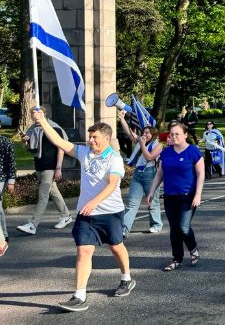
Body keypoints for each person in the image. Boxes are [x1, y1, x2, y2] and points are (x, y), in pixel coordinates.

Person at [32, 108, 135, 312]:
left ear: (106, 138)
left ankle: (126, 278)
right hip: (86, 214)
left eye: (95, 137)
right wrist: (43, 121)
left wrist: (94, 201)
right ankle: (79, 296)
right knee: (83, 251)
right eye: (90, 137)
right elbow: (61, 142)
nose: (91, 141)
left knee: (116, 246)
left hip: (110, 212)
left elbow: (113, 184)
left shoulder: (114, 158)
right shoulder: (85, 152)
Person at [143, 123, 204, 272]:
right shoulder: (166, 153)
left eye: (177, 134)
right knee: (174, 229)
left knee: (183, 227)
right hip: (170, 196)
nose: (174, 136)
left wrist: (198, 195)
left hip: (187, 196)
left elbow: (200, 174)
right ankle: (177, 259)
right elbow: (159, 174)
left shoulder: (193, 152)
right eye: (172, 134)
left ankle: (193, 249)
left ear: (185, 135)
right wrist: (151, 192)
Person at [17, 118, 73, 235]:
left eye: (37, 114)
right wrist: (24, 142)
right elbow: (29, 150)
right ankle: (66, 216)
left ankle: (32, 224)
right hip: (39, 166)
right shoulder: (33, 130)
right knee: (54, 191)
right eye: (33, 115)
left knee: (43, 195)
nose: (35, 117)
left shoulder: (55, 129)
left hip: (50, 167)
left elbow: (61, 149)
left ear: (43, 115)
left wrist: (58, 168)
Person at [116, 111, 163, 238]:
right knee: (131, 203)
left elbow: (149, 157)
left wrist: (141, 144)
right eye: (144, 132)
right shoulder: (142, 141)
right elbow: (129, 133)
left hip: (151, 175)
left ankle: (156, 225)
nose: (144, 134)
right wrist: (122, 119)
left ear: (153, 134)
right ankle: (124, 229)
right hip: (138, 174)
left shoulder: (158, 145)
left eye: (147, 132)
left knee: (152, 201)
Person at [0, 135, 15, 257]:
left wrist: (11, 181)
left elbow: (11, 162)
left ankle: (2, 238)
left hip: (1, 179)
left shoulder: (5, 141)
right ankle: (4, 235)